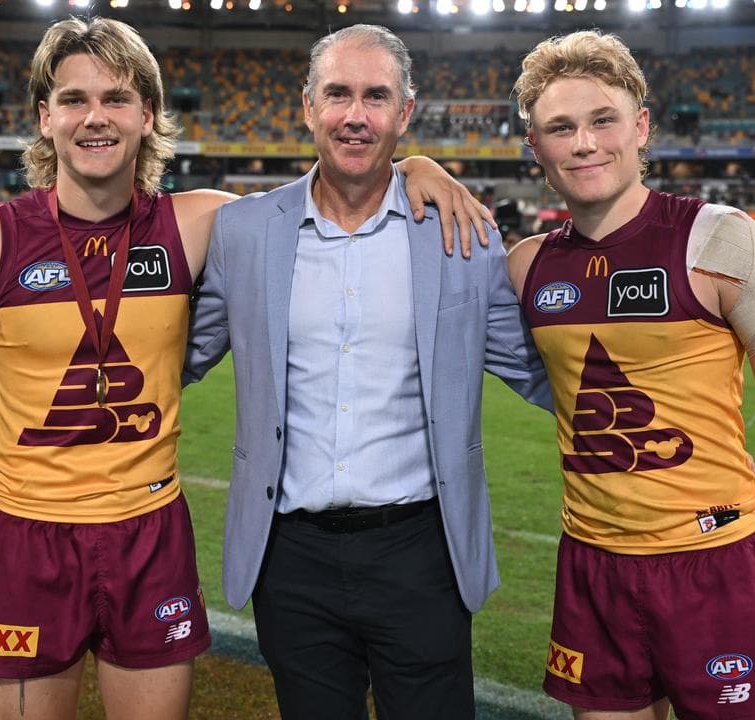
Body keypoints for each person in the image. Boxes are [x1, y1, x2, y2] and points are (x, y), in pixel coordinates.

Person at [0, 16, 490, 720]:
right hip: (28, 532)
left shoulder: (200, 223)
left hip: (149, 529)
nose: (96, 118)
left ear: (148, 116)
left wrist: (416, 167)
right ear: (44, 116)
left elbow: (325, 197)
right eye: (74, 100)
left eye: (117, 98)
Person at [183, 24, 552, 720]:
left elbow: (538, 370)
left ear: (405, 112)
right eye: (339, 94)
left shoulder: (461, 236)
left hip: (420, 552)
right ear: (307, 106)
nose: (356, 114)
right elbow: (178, 361)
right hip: (289, 559)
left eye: (376, 97)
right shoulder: (246, 233)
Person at [506, 30, 755, 720]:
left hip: (716, 560)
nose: (585, 143)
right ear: (535, 147)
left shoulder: (721, 240)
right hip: (592, 566)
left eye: (603, 120)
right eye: (559, 128)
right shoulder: (526, 266)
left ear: (642, 127)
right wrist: (421, 170)